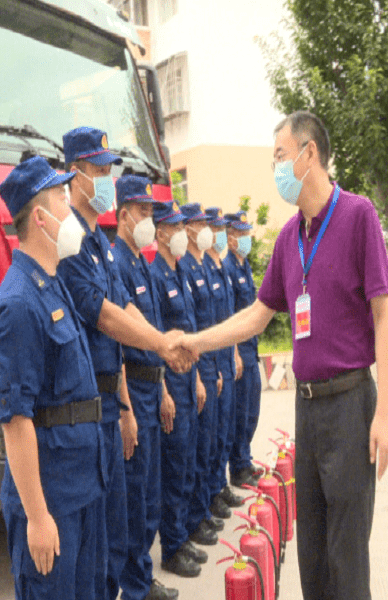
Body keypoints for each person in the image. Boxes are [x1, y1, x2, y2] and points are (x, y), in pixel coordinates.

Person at [176, 110, 388, 600]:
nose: (275, 167)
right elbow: (256, 316)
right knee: (312, 553)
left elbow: (384, 318)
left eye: (279, 155)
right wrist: (196, 341)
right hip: (308, 408)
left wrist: (383, 415)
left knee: (347, 555)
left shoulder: (359, 216)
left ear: (308, 154)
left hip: (351, 405)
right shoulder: (290, 238)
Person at [57, 126, 193, 600]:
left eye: (108, 171)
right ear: (75, 176)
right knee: (101, 537)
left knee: (119, 523)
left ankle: (131, 588)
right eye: (98, 171)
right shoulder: (70, 241)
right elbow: (105, 317)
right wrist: (159, 345)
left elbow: (125, 313)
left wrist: (160, 341)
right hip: (85, 405)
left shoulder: (97, 243)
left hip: (111, 401)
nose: (106, 181)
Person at [0, 156, 105, 600]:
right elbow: (16, 420)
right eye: (62, 198)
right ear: (40, 217)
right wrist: (37, 517)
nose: (71, 209)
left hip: (81, 488)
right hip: (51, 501)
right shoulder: (19, 302)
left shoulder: (52, 281)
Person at [112, 176, 179, 600]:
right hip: (133, 390)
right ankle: (135, 588)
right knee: (135, 498)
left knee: (150, 493)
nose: (150, 221)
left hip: (154, 387)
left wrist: (166, 390)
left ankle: (144, 577)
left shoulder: (141, 263)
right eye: (143, 212)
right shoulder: (118, 262)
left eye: (152, 213)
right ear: (122, 215)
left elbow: (156, 335)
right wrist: (127, 410)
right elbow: (117, 342)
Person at [148, 200, 208, 578]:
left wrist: (198, 378)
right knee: (173, 469)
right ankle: (171, 546)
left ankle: (182, 534)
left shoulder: (180, 271)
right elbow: (157, 340)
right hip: (169, 383)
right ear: (161, 233)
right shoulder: (155, 274)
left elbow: (189, 332)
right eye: (176, 227)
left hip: (189, 380)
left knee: (186, 462)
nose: (184, 233)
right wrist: (164, 391)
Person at [179, 203, 236, 536]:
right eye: (199, 223)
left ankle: (210, 497)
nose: (206, 230)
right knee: (196, 450)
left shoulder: (204, 266)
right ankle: (194, 516)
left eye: (207, 224)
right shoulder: (185, 267)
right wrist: (201, 373)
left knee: (217, 437)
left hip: (220, 359)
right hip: (198, 366)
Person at [202, 207, 245, 513]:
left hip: (225, 359)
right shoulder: (200, 267)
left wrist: (234, 353)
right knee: (206, 440)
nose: (213, 232)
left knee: (225, 430)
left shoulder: (216, 268)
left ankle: (219, 486)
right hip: (206, 363)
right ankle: (208, 498)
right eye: (209, 227)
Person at [223, 211, 263, 488]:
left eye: (248, 233)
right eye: (241, 233)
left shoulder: (244, 265)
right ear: (230, 236)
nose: (246, 238)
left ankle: (245, 459)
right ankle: (238, 467)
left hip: (253, 346)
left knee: (252, 409)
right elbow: (229, 316)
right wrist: (234, 351)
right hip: (240, 348)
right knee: (240, 412)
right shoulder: (226, 266)